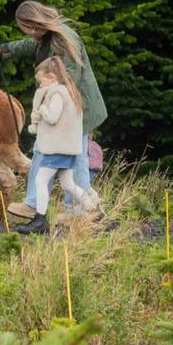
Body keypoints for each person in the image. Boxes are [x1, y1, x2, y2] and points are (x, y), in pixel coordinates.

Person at [0, 0, 106, 223]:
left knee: (72, 159)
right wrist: (3, 49)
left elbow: (70, 78)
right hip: (63, 108)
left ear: (33, 23)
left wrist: (48, 102)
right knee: (48, 153)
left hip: (76, 110)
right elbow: (30, 45)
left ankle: (81, 208)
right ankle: (43, 204)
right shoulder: (45, 36)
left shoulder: (64, 39)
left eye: (25, 27)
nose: (26, 32)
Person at [18, 57, 102, 234]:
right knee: (68, 184)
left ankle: (40, 221)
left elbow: (52, 117)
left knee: (40, 181)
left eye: (41, 82)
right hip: (69, 149)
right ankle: (92, 208)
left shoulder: (57, 94)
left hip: (56, 149)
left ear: (51, 77)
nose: (40, 86)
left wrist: (41, 109)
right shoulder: (71, 92)